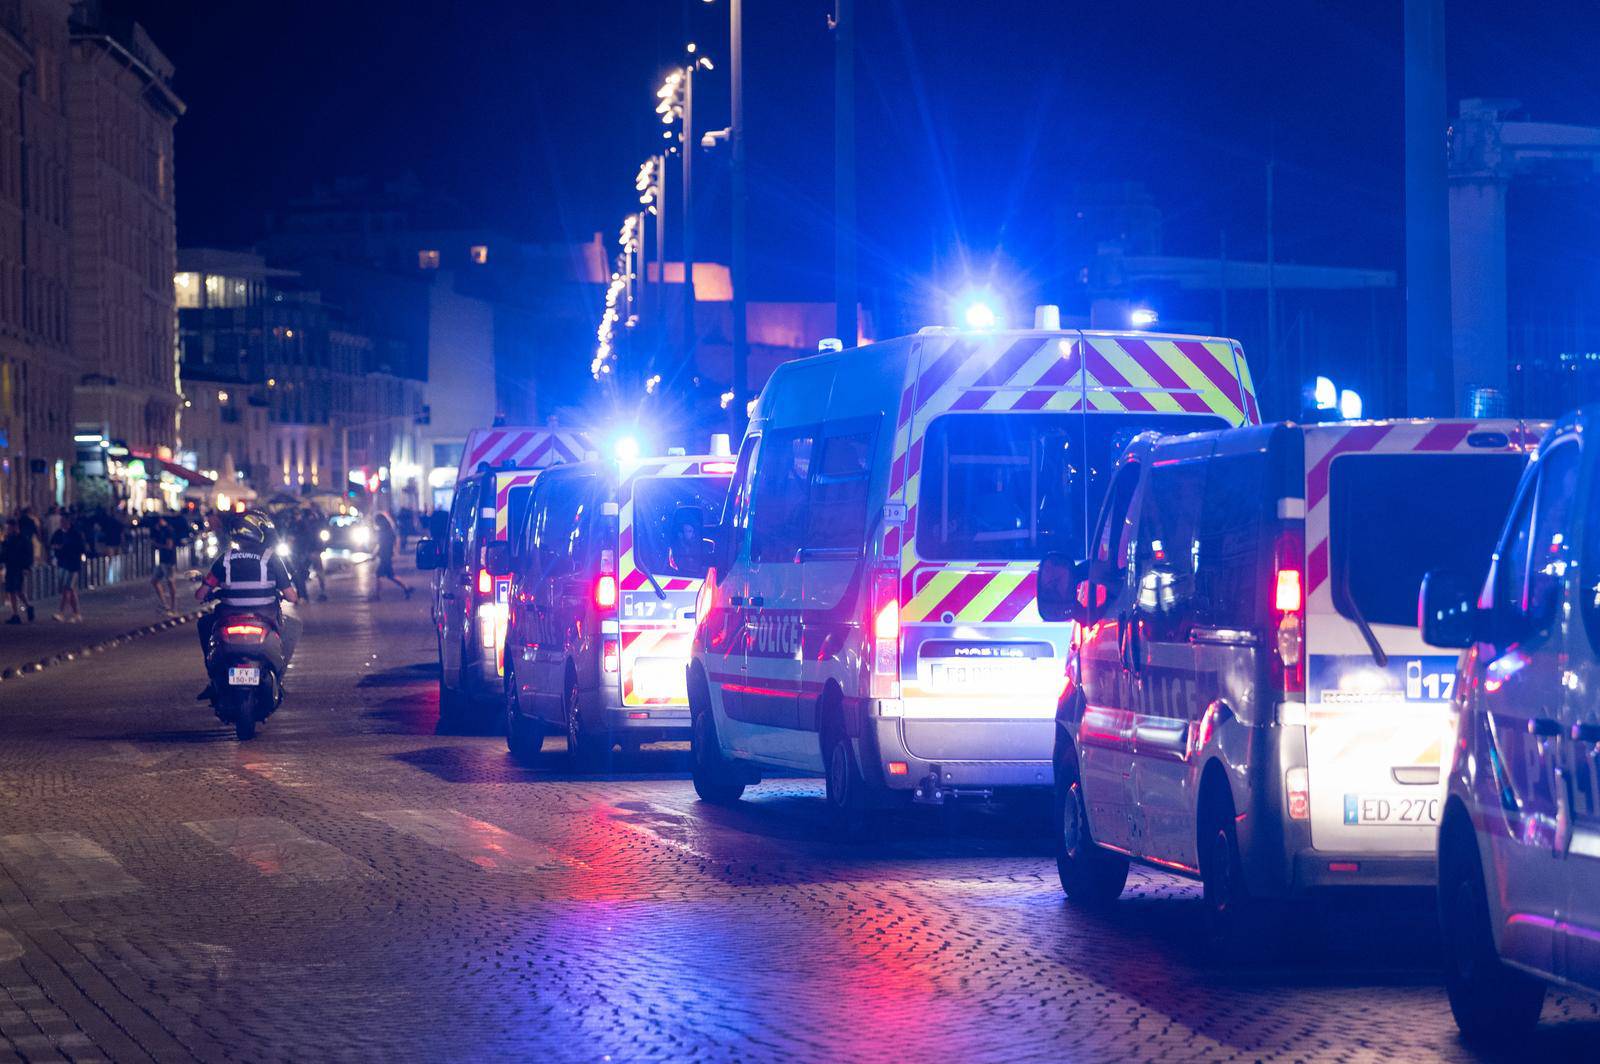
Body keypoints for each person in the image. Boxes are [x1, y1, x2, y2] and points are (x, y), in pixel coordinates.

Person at [195, 510, 301, 693]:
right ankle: (279, 678)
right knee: (293, 626)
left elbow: (200, 594)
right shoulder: (271, 558)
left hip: (228, 617)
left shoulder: (225, 558)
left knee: (204, 623)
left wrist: (210, 592)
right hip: (264, 616)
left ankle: (213, 678)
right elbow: (291, 596)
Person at [49, 513, 86, 622]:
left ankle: (61, 612)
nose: (62, 524)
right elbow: (52, 544)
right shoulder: (58, 533)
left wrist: (66, 549)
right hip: (62, 563)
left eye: (64, 522)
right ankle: (77, 613)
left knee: (67, 588)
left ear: (68, 522)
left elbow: (80, 548)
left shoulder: (75, 534)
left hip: (72, 565)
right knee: (70, 589)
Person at [370, 511, 412, 600]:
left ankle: (377, 595)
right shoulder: (389, 531)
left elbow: (380, 545)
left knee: (380, 575)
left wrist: (374, 554)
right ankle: (406, 588)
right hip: (386, 556)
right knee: (390, 575)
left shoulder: (382, 532)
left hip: (385, 557)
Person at [289, 510, 328, 602]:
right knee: (316, 571)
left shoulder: (303, 524)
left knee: (302, 572)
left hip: (309, 551)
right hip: (312, 550)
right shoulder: (314, 523)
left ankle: (304, 595)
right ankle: (320, 592)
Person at [2, 517, 35, 623]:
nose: (8, 530)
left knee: (18, 590)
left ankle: (25, 608)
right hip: (10, 567)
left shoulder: (23, 539)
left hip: (19, 567)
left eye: (9, 528)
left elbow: (28, 554)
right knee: (12, 590)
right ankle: (16, 614)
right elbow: (4, 553)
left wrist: (26, 567)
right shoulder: (8, 539)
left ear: (15, 527)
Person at [150, 516, 180, 613]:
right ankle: (164, 604)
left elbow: (169, 546)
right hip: (162, 561)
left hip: (169, 561)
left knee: (170, 583)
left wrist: (156, 545)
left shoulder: (168, 531)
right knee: (154, 580)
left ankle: (173, 607)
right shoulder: (161, 531)